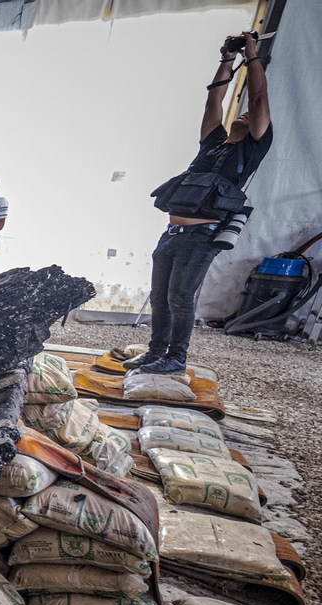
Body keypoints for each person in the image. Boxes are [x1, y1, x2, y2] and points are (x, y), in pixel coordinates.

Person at [127, 32, 272, 376]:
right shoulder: (213, 144)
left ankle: (176, 357)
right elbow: (213, 104)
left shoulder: (251, 148)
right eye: (242, 112)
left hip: (202, 236)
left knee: (180, 297)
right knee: (160, 297)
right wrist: (226, 59)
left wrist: (252, 55)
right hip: (171, 234)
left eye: (250, 115)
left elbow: (261, 97)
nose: (245, 114)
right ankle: (156, 352)